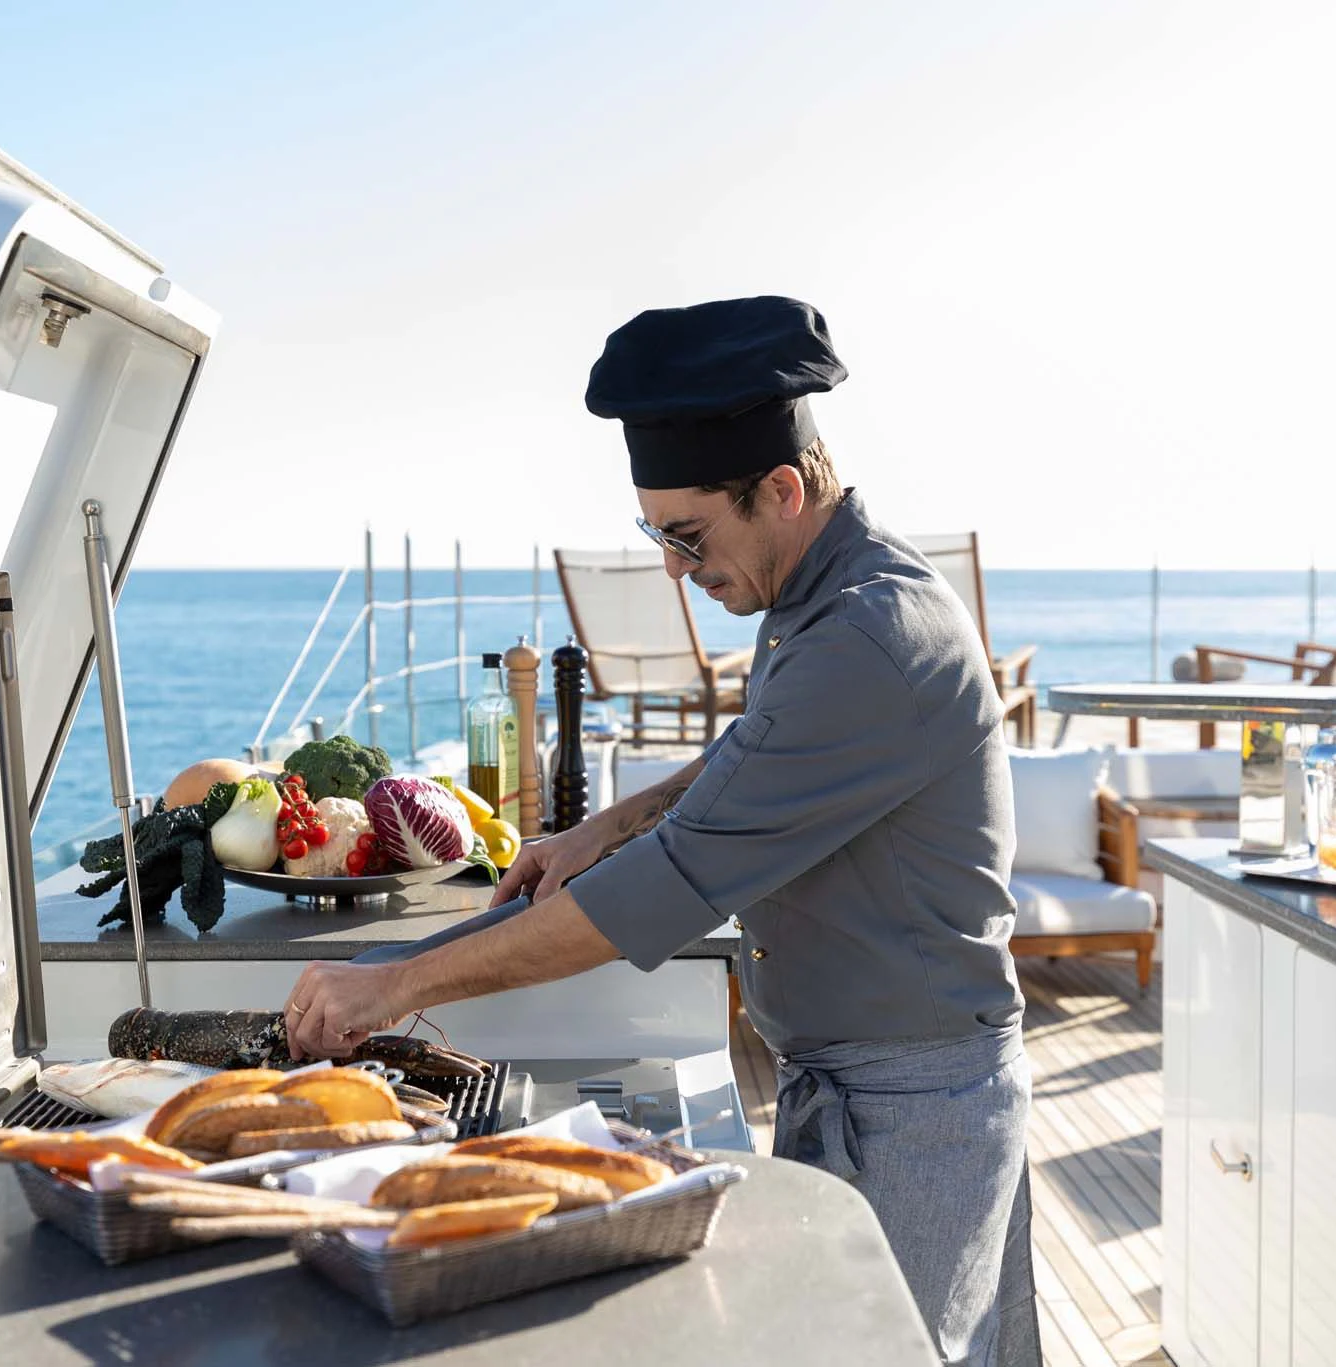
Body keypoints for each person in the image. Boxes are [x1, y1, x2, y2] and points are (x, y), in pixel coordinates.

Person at [284, 295, 1038, 1366]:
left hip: (916, 1106)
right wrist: (609, 822)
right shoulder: (820, 593)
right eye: (659, 538)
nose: (679, 570)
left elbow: (668, 888)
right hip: (859, 1079)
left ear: (780, 488)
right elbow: (753, 755)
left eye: (689, 538)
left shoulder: (870, 635)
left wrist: (396, 982)